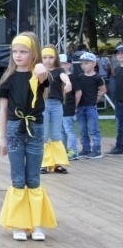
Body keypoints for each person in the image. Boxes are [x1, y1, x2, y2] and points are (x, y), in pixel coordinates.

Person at [0, 32, 56, 241]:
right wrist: (2, 137)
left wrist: (41, 67)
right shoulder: (8, 80)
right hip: (14, 128)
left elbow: (47, 77)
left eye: (23, 52)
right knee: (18, 177)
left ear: (33, 54)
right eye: (15, 52)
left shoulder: (39, 76)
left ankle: (36, 224)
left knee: (33, 177)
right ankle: (19, 224)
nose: (18, 55)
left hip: (35, 128)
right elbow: (3, 111)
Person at [39, 46, 72, 174]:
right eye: (45, 57)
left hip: (57, 105)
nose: (48, 60)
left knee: (56, 135)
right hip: (43, 105)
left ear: (55, 58)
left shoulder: (59, 70)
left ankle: (58, 163)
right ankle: (44, 163)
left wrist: (68, 83)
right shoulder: (39, 71)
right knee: (44, 135)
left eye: (51, 57)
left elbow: (65, 77)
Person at [74, 52, 106, 159]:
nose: (83, 66)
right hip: (81, 106)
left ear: (94, 64)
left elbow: (103, 89)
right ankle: (86, 148)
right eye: (82, 64)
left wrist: (98, 97)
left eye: (86, 63)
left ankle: (97, 150)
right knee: (82, 129)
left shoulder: (97, 77)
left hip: (91, 106)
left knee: (93, 128)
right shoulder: (80, 77)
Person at [59, 55, 79, 161]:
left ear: (68, 65)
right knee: (62, 130)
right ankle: (63, 150)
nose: (60, 66)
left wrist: (75, 105)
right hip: (61, 108)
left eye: (62, 64)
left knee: (68, 130)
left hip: (69, 107)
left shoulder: (72, 77)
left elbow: (78, 92)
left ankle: (73, 152)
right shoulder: (58, 77)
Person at [109, 44, 123, 155]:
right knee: (119, 125)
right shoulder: (117, 69)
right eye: (118, 53)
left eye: (122, 53)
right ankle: (119, 146)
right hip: (119, 101)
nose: (120, 55)